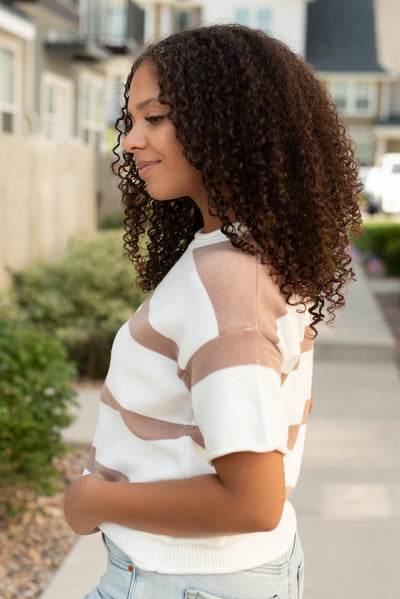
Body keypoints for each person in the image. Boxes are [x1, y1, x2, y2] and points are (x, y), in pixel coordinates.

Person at [64, 24, 363, 599]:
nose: (131, 140)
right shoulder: (242, 249)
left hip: (183, 581)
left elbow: (252, 501)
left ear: (228, 125)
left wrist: (94, 500)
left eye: (156, 117)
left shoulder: (228, 282)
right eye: (132, 120)